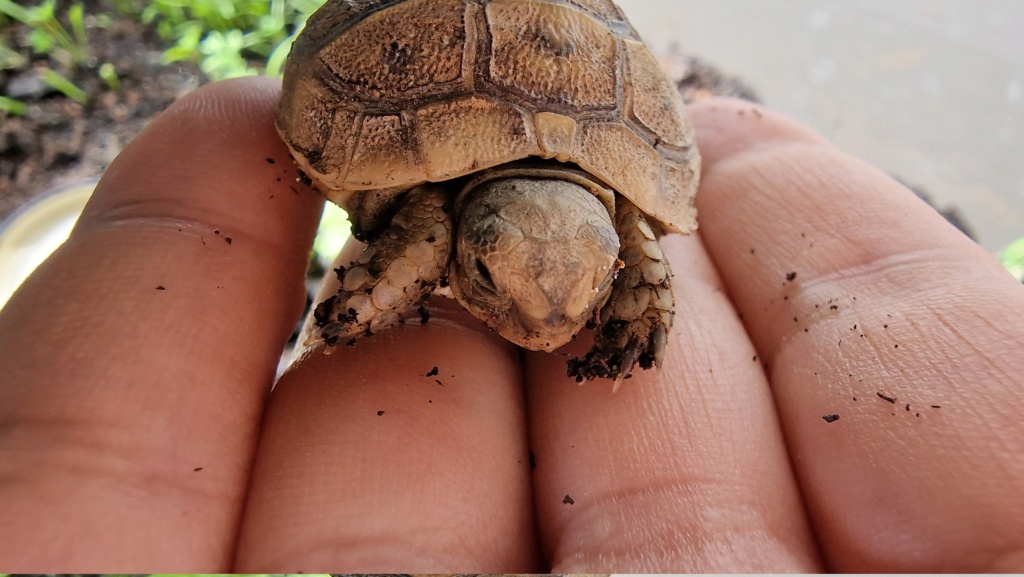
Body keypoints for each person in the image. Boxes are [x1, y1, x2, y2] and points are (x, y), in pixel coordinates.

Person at [0, 77, 1021, 573]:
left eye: (594, 286)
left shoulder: (623, 233)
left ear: (617, 243)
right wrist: (364, 306)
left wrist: (630, 293)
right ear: (462, 244)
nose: (553, 322)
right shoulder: (436, 220)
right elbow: (407, 253)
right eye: (499, 283)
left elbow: (634, 256)